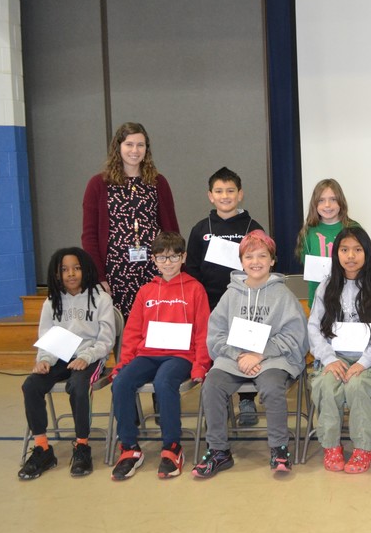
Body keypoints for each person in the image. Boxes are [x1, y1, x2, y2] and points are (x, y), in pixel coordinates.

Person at [192, 231, 307, 478]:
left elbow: (295, 336)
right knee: (211, 385)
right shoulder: (230, 294)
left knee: (272, 386)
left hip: (271, 359)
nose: (256, 261)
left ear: (272, 260)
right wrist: (238, 357)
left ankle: (279, 448)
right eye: (249, 256)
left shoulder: (283, 296)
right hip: (236, 357)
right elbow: (216, 335)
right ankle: (219, 451)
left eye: (262, 256)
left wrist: (260, 355)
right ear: (241, 262)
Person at [109, 232, 211, 481]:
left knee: (164, 382)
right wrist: (123, 363)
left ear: (183, 257)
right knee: (121, 382)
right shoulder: (146, 291)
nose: (168, 262)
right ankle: (130, 448)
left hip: (180, 356)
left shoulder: (195, 289)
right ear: (153, 260)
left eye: (174, 256)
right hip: (147, 354)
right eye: (162, 258)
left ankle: (172, 447)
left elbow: (203, 330)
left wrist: (200, 366)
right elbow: (132, 332)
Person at [19, 247, 116, 480]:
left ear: (86, 270)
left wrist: (87, 357)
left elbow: (106, 340)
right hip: (59, 356)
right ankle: (42, 448)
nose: (71, 274)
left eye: (76, 268)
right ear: (56, 274)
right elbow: (47, 337)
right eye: (64, 269)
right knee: (31, 385)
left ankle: (82, 446)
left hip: (90, 357)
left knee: (78, 386)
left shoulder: (100, 298)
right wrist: (43, 360)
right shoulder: (52, 301)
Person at [309, 227, 371, 474]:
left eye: (357, 250)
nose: (351, 256)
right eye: (345, 249)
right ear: (336, 253)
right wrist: (328, 358)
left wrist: (364, 362)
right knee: (325, 385)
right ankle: (331, 445)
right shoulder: (326, 286)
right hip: (334, 358)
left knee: (357, 386)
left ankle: (364, 447)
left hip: (369, 359)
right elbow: (314, 327)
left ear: (367, 253)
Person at [184, 167, 265, 427]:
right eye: (219, 191)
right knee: (217, 353)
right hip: (211, 302)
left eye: (230, 191)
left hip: (246, 302)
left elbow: (263, 265)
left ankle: (247, 399)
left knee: (246, 349)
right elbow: (192, 268)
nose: (225, 196)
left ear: (240, 194)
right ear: (210, 196)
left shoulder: (254, 228)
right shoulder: (200, 229)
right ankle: (216, 402)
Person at [82, 122, 178, 318]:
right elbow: (89, 236)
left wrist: (175, 270)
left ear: (147, 149)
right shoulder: (98, 184)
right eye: (129, 144)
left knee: (158, 324)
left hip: (155, 269)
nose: (135, 150)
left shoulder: (158, 183)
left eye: (140, 145)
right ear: (118, 147)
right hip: (115, 274)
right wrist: (99, 276)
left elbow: (171, 231)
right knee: (123, 331)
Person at [296, 178, 359, 306]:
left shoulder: (353, 229)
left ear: (341, 202)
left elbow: (362, 261)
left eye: (333, 199)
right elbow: (307, 264)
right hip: (318, 301)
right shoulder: (308, 232)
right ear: (315, 204)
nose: (327, 205)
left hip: (349, 300)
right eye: (321, 200)